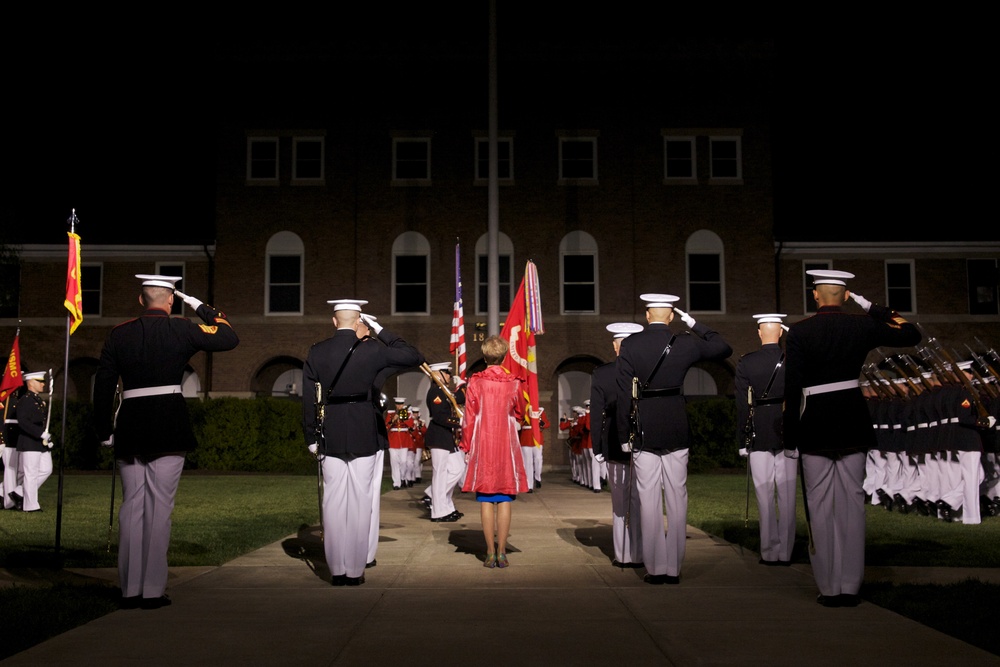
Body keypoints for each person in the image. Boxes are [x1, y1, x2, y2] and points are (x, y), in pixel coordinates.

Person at [94, 274, 239, 609]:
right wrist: (200, 306)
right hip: (168, 424)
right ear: (171, 300)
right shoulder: (181, 328)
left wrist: (103, 429)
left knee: (131, 507)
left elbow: (103, 384)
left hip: (131, 425)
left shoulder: (119, 333)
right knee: (159, 509)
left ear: (141, 299)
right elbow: (228, 337)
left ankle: (129, 589)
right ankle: (151, 590)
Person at [783, 270, 921, 608]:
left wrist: (790, 437)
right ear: (845, 296)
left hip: (815, 423)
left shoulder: (800, 330)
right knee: (852, 504)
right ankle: (849, 586)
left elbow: (792, 386)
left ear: (815, 295)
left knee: (819, 505)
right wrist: (875, 308)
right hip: (851, 420)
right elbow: (911, 333)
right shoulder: (862, 325)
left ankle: (829, 587)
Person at [302, 299, 423, 586]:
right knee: (360, 501)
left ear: (334, 321)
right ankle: (355, 571)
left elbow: (308, 400)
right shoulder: (373, 350)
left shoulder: (317, 351)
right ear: (359, 321)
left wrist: (310, 437)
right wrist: (380, 329)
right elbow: (413, 355)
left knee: (332, 501)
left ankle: (337, 569)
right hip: (364, 429)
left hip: (330, 431)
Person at [615, 293, 733, 585]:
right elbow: (723, 347)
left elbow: (623, 394)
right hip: (676, 426)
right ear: (670, 317)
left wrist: (624, 434)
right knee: (677, 498)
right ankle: (673, 568)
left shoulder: (631, 344)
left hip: (644, 427)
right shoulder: (684, 342)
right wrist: (693, 323)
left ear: (647, 316)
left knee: (649, 500)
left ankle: (655, 568)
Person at [460, 335, 529, 568]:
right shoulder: (514, 382)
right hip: (506, 442)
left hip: (484, 441)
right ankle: (502, 551)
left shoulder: (476, 382)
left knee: (486, 499)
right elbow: (520, 411)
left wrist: (466, 445)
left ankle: (490, 551)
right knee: (505, 497)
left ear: (484, 356)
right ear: (505, 356)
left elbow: (469, 418)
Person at [734, 314, 795, 566]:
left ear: (760, 333)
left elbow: (741, 404)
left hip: (759, 429)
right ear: (780, 332)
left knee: (764, 493)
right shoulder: (792, 360)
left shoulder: (747, 362)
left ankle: (769, 551)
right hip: (787, 428)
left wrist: (742, 439)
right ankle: (786, 552)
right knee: (787, 495)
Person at [591, 322, 644, 568]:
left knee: (620, 502)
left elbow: (596, 414)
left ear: (615, 346)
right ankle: (640, 553)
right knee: (641, 499)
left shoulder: (602, 373)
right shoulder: (646, 370)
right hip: (643, 439)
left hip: (614, 440)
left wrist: (597, 446)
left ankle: (623, 554)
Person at [423, 362, 466, 523]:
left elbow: (459, 398)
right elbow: (440, 417)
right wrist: (459, 422)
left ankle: (434, 496)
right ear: (437, 374)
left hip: (446, 436)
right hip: (438, 435)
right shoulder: (435, 392)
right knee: (440, 474)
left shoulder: (444, 391)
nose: (449, 375)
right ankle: (440, 511)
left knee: (458, 469)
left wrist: (463, 385)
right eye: (446, 372)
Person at [13, 370, 53, 512]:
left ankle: (19, 491)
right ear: (30, 383)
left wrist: (46, 437)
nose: (43, 384)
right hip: (29, 441)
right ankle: (31, 506)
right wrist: (40, 433)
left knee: (47, 469)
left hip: (39, 442)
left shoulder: (37, 400)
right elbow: (23, 422)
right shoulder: (25, 400)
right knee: (31, 474)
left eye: (43, 381)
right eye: (40, 381)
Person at [386, 397, 414, 490]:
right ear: (395, 405)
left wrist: (402, 417)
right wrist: (393, 420)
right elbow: (386, 426)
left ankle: (403, 478)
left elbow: (411, 425)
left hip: (404, 439)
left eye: (401, 404)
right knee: (394, 462)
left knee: (403, 461)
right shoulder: (390, 413)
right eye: (398, 404)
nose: (399, 406)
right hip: (393, 439)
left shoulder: (408, 413)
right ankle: (396, 483)